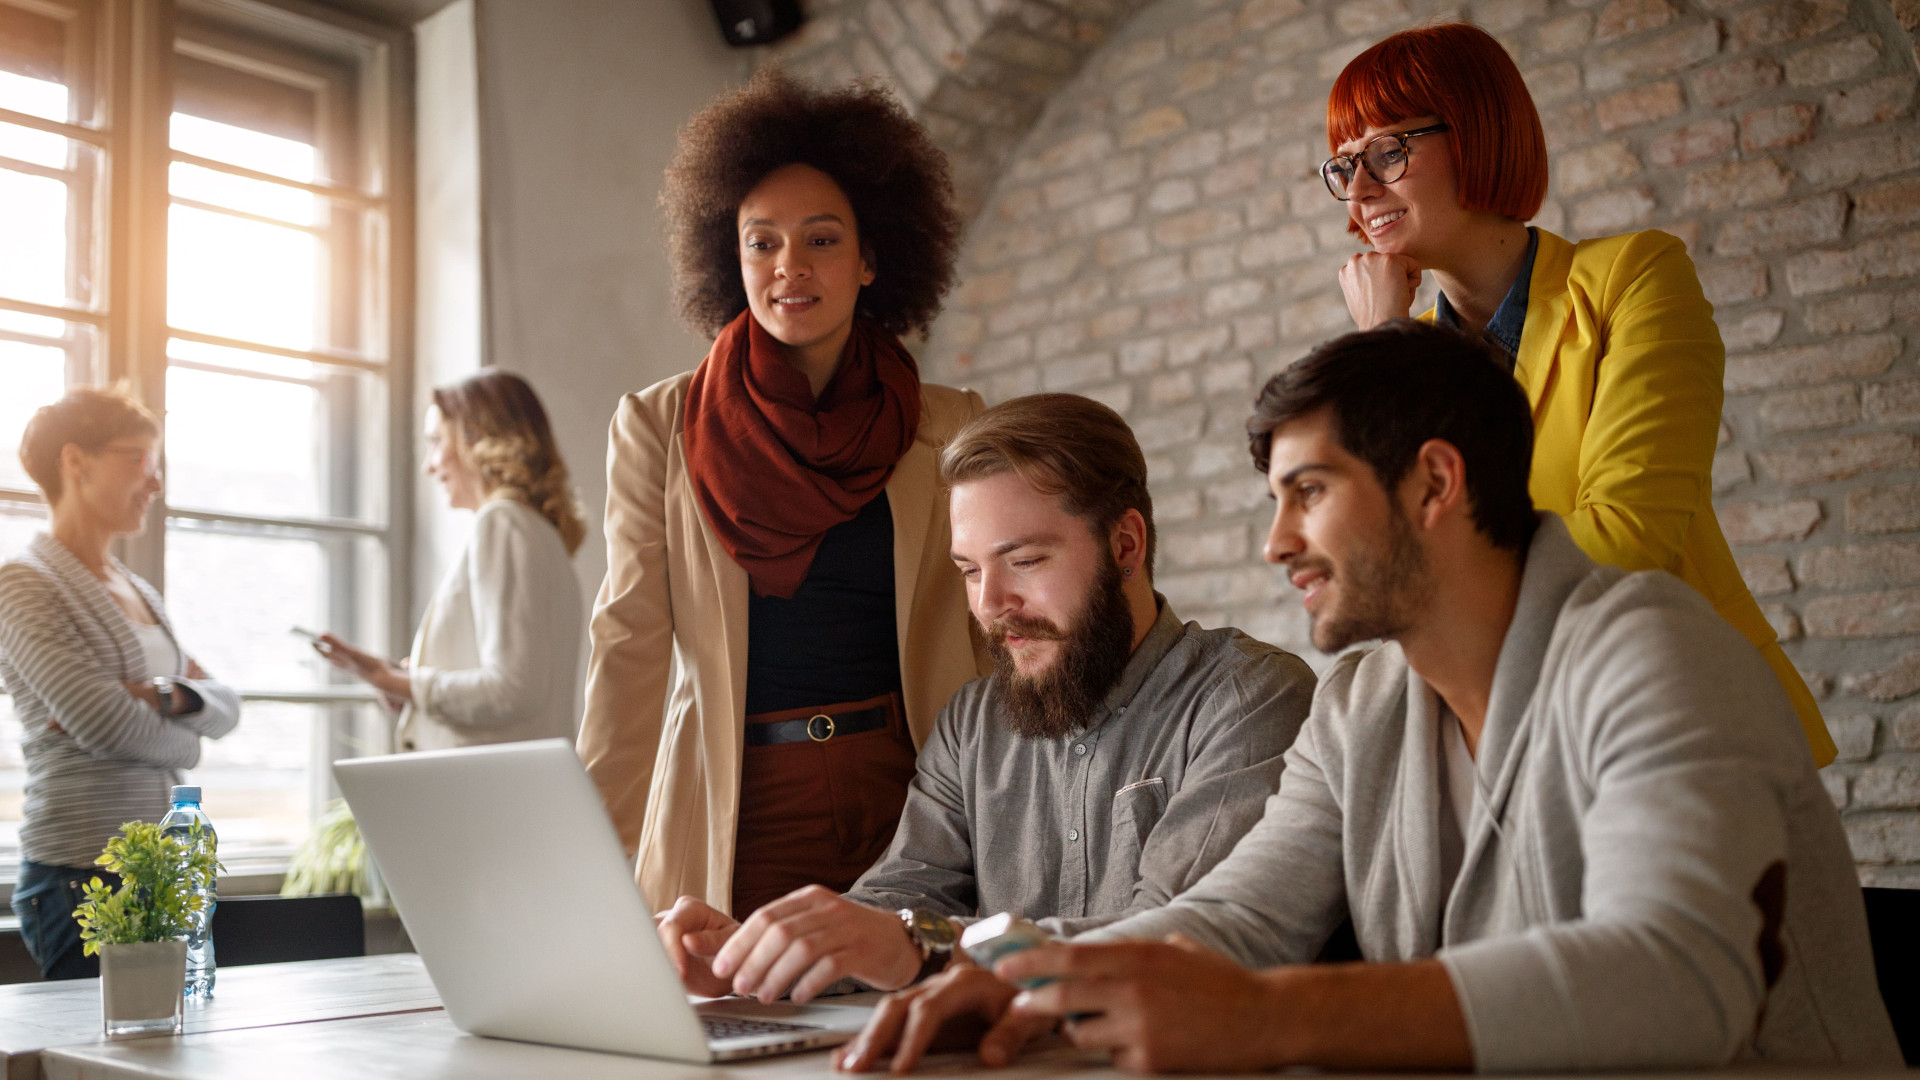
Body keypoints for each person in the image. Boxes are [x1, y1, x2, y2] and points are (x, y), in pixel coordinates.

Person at [836, 322, 1901, 1074]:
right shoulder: (1360, 708)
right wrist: (1037, 979)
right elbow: (1236, 918)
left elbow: (1679, 976)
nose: (1276, 543)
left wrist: (1269, 1017)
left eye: (1309, 493)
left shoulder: (1652, 648)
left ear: (1434, 484)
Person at [651, 394, 1316, 1004]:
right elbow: (893, 907)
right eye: (970, 571)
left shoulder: (1249, 699)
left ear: (1125, 546)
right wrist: (752, 957)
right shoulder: (972, 725)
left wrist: (925, 947)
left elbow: (1175, 941)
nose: (991, 606)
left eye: (1024, 560)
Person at [1322, 23, 1833, 765]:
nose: (1361, 191)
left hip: (1688, 734)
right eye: (1344, 165)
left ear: (1478, 136)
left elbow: (1627, 539)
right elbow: (1374, 575)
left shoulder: (1635, 277)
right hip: (1499, 755)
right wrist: (1383, 347)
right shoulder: (1401, 348)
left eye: (1390, 152)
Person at [578, 69, 989, 919]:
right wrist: (588, 852)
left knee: (912, 1036)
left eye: (822, 240)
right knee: (737, 1031)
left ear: (873, 257)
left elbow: (992, 637)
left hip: (920, 799)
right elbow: (631, 642)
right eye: (761, 241)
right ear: (730, 257)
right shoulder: (659, 425)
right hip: (735, 802)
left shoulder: (952, 425)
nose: (788, 267)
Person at [0, 387, 241, 980]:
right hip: (78, 872)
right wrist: (188, 740)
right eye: (139, 460)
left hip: (161, 869)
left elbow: (227, 706)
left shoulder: (141, 591)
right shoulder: (25, 583)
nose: (155, 484)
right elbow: (105, 724)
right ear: (75, 462)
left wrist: (166, 696)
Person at [314, 371, 586, 751]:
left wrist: (390, 679)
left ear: (478, 440)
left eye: (437, 441)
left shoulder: (501, 522)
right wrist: (416, 685)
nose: (429, 465)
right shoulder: (537, 532)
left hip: (492, 794)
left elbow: (512, 691)